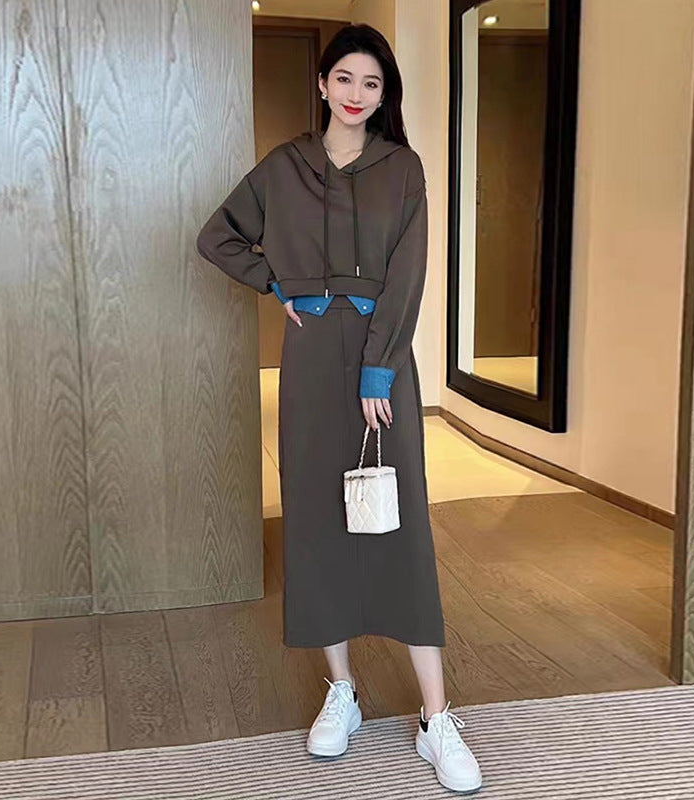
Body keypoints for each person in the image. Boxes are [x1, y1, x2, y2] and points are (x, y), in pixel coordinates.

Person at [196, 23, 482, 794]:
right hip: (311, 357)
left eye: (373, 83)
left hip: (380, 357)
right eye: (346, 79)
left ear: (385, 96)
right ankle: (342, 690)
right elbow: (217, 238)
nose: (357, 94)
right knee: (318, 517)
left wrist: (380, 370)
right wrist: (275, 282)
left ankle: (435, 716)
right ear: (323, 84)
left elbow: (408, 275)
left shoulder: (402, 169)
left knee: (400, 521)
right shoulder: (283, 168)